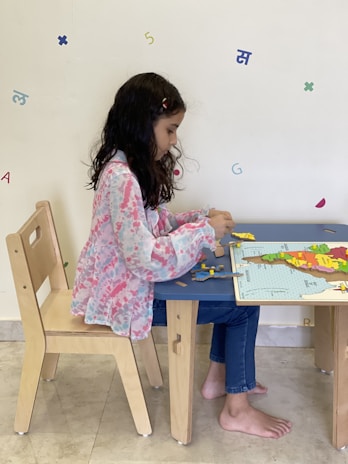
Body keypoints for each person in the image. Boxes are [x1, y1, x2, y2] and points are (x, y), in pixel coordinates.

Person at [71, 72, 292, 439]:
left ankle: (221, 380)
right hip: (130, 299)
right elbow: (146, 259)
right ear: (143, 125)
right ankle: (236, 409)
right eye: (170, 130)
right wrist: (203, 232)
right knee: (242, 306)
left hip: (129, 289)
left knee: (236, 295)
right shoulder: (122, 178)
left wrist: (199, 220)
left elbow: (154, 224)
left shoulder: (125, 167)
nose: (174, 140)